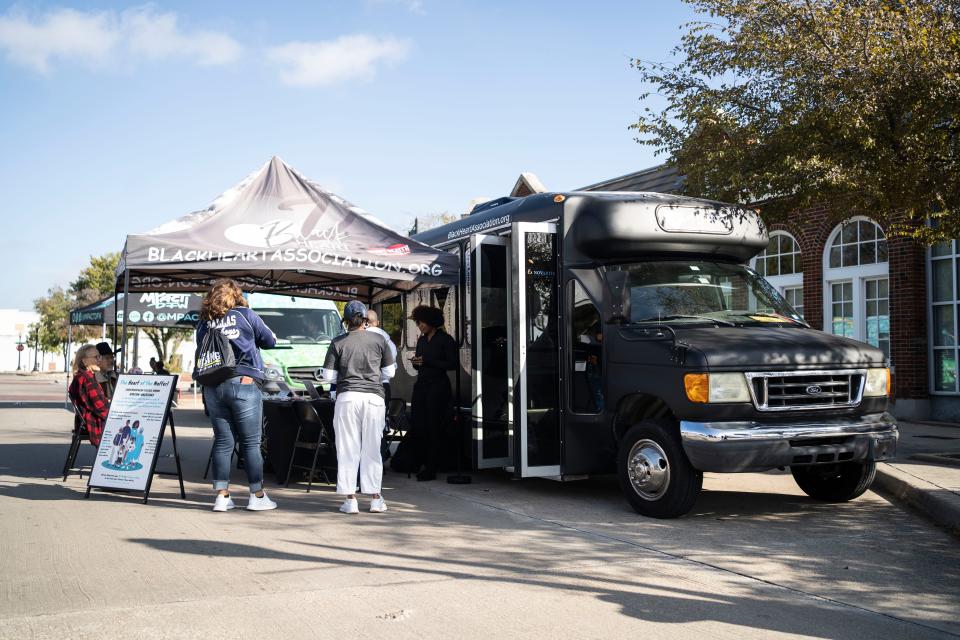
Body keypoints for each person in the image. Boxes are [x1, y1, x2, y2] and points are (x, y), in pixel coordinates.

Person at [195, 279, 278, 513]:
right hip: (244, 383)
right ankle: (257, 496)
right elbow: (270, 340)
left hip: (213, 387)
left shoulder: (204, 322)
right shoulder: (245, 315)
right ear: (236, 295)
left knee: (222, 442)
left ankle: (222, 497)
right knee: (251, 443)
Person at [321, 300, 396, 514]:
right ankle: (375, 498)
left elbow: (328, 376)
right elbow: (389, 373)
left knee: (347, 448)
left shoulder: (338, 342)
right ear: (365, 318)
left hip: (347, 398)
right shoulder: (379, 339)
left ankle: (350, 499)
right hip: (374, 398)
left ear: (346, 320)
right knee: (372, 448)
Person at [408, 305, 458, 482]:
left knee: (434, 425)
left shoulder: (445, 339)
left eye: (421, 322)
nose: (419, 325)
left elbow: (452, 364)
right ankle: (419, 460)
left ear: (431, 321)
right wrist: (416, 362)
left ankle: (432, 466)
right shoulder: (421, 341)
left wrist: (428, 361)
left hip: (438, 387)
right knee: (419, 424)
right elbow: (422, 362)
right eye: (418, 322)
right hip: (422, 385)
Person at [67, 344, 109, 448]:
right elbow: (101, 408)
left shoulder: (81, 377)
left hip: (85, 421)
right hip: (94, 422)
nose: (99, 360)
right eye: (96, 357)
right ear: (84, 361)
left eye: (100, 356)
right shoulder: (87, 379)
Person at [363, 309, 398, 404]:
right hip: (383, 386)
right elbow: (391, 369)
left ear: (364, 322)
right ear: (377, 322)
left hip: (362, 388)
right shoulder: (389, 342)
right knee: (381, 418)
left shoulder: (357, 339)